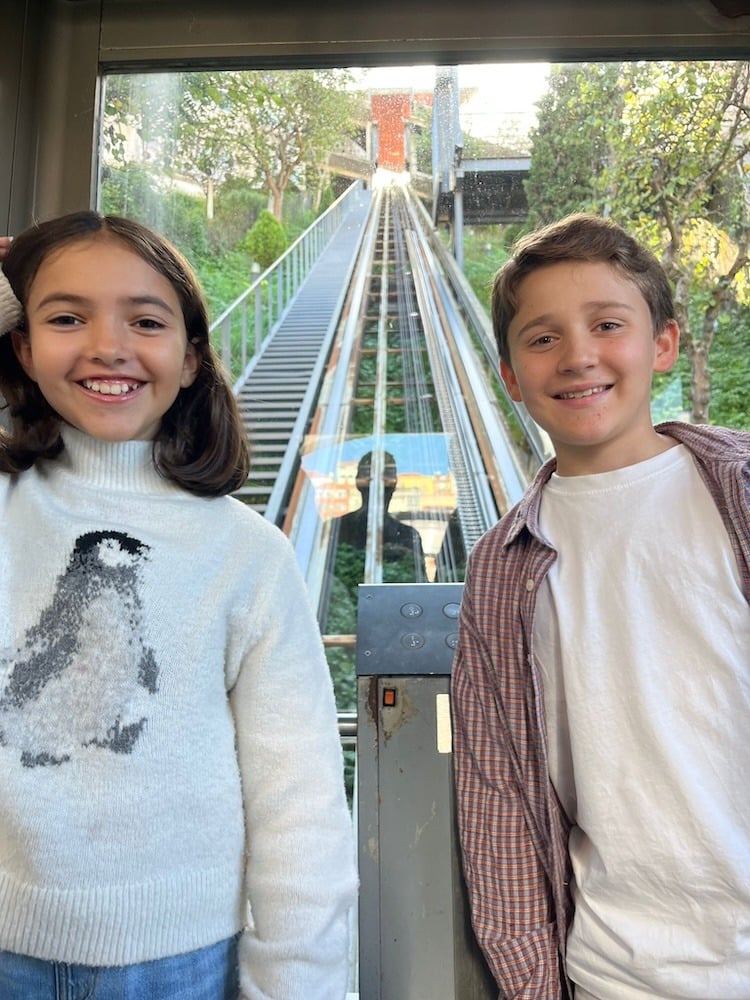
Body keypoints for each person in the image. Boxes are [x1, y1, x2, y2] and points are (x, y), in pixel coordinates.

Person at [0, 212, 358, 1000]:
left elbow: (296, 797)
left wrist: (298, 982)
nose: (106, 345)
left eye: (146, 321)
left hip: (185, 962)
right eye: (65, 318)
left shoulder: (248, 555)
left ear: (192, 358)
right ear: (22, 348)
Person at [450, 213, 750, 999]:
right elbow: (497, 799)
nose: (578, 355)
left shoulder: (737, 498)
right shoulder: (501, 569)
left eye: (607, 324)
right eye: (541, 338)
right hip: (618, 973)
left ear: (663, 344)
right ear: (510, 378)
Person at [336, 449, 428, 581]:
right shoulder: (338, 528)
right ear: (357, 482)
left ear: (395, 483)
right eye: (368, 473)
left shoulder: (409, 535)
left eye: (388, 474)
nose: (378, 481)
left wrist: (405, 554)